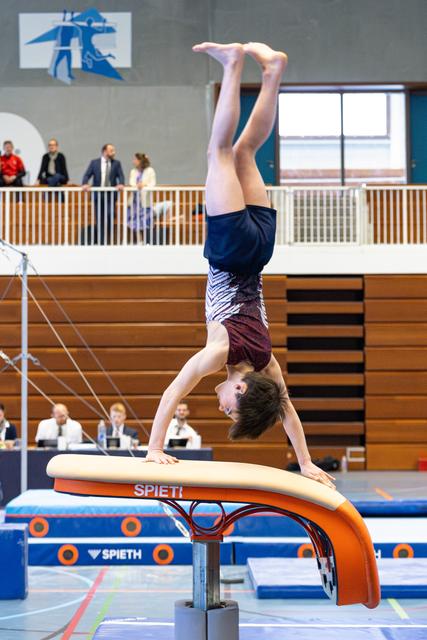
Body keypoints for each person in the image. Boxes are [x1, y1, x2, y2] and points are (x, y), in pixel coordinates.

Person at [146, 42, 335, 490]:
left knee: (247, 152)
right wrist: (154, 448)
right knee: (221, 151)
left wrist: (304, 462)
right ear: (241, 389)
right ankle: (233, 64)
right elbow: (174, 392)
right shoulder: (219, 354)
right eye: (231, 407)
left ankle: (272, 71)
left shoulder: (268, 363)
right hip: (230, 251)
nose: (222, 407)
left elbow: (286, 409)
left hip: (260, 251)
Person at [82, 143, 125, 244]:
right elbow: (87, 175)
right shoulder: (94, 163)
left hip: (110, 195)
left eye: (113, 150)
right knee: (99, 218)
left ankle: (107, 238)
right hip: (98, 194)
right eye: (111, 150)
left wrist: (121, 184)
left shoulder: (116, 163)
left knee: (110, 215)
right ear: (105, 151)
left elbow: (121, 176)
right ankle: (102, 241)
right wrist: (85, 184)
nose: (113, 152)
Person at [127, 153, 157, 242]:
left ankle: (147, 241)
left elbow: (153, 183)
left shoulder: (150, 171)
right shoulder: (133, 171)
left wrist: (144, 184)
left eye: (135, 160)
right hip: (134, 201)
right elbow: (131, 182)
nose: (134, 161)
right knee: (135, 222)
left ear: (140, 161)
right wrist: (137, 185)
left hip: (145, 201)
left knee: (146, 221)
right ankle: (139, 241)